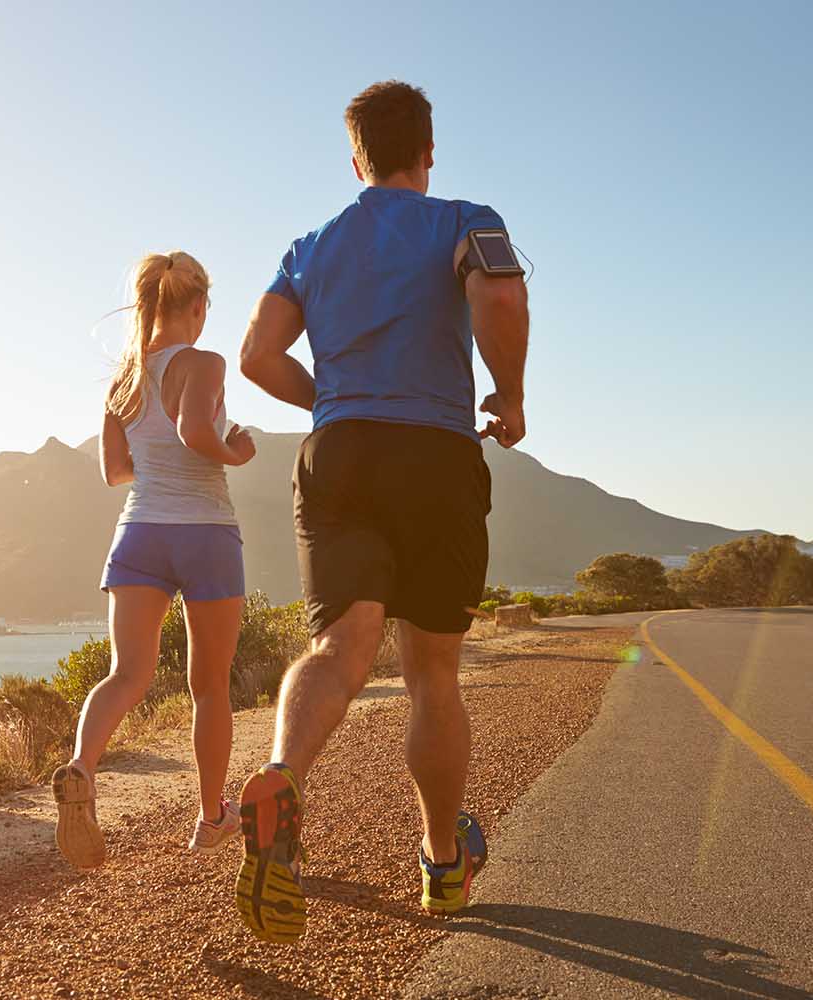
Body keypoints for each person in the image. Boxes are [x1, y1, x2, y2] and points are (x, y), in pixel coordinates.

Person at [232, 81, 530, 942]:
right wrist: (508, 397)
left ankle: (282, 777)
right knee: (433, 674)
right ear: (428, 152)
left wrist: (334, 399)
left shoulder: (311, 245)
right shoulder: (464, 220)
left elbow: (256, 355)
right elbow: (502, 297)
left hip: (342, 454)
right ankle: (442, 864)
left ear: (355, 157)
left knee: (338, 649)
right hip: (436, 453)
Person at [52, 251, 258, 870]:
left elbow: (116, 471)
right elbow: (196, 431)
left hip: (139, 532)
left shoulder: (125, 378)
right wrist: (235, 450)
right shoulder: (205, 362)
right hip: (206, 534)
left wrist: (162, 463)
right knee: (208, 687)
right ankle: (211, 816)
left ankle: (82, 766)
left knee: (127, 673)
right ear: (198, 307)